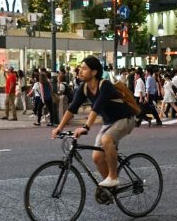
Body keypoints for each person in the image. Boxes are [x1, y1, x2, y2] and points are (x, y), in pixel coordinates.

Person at [52, 56, 136, 188]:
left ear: (94, 72)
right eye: (80, 68)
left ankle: (113, 177)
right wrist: (59, 127)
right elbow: (72, 108)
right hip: (109, 123)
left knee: (106, 139)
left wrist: (86, 127)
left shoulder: (105, 85)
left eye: (84, 68)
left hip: (125, 119)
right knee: (97, 157)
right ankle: (111, 189)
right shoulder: (84, 88)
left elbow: (97, 107)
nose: (80, 71)